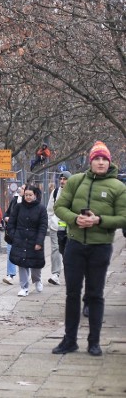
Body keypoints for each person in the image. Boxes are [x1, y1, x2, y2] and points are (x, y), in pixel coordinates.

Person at [53, 141, 126, 356]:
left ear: (109, 162)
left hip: (100, 247)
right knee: (72, 293)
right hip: (75, 245)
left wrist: (99, 220)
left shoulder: (118, 187)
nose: (101, 162)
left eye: (104, 159)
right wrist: (75, 219)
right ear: (90, 161)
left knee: (95, 294)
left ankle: (94, 342)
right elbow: (59, 207)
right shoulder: (75, 181)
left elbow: (123, 217)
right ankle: (70, 340)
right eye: (97, 158)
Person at [6, 184, 47, 297]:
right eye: (26, 195)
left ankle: (37, 280)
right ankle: (24, 287)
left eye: (30, 195)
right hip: (20, 239)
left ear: (35, 195)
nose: (28, 197)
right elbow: (11, 223)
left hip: (34, 239)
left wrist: (39, 242)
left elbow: (43, 226)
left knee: (35, 264)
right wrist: (14, 236)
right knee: (22, 264)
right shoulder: (18, 207)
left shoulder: (41, 209)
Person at [46, 171, 71, 285]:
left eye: (65, 179)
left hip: (69, 227)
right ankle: (55, 274)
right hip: (56, 226)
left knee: (68, 251)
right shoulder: (55, 192)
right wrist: (51, 221)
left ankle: (69, 274)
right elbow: (50, 209)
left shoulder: (74, 193)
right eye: (61, 179)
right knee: (55, 249)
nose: (62, 181)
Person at [2, 184, 24, 285]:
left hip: (24, 233)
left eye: (23, 188)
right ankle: (10, 275)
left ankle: (31, 276)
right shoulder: (15, 200)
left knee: (24, 255)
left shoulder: (32, 204)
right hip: (12, 232)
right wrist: (6, 218)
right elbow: (6, 213)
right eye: (21, 188)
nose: (21, 190)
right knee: (10, 251)